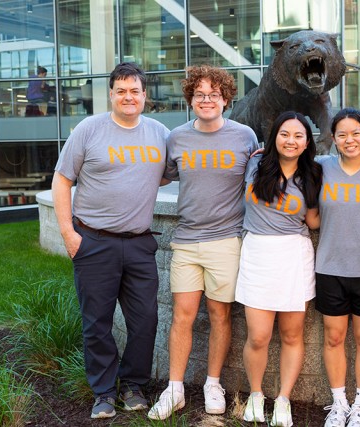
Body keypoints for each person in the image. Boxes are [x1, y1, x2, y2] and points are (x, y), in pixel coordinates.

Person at [51, 62, 169, 419]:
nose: (128, 97)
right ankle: (103, 392)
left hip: (138, 243)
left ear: (145, 96)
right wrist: (69, 235)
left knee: (146, 320)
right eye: (121, 91)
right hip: (94, 242)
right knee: (97, 322)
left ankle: (133, 385)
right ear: (111, 95)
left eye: (135, 91)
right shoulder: (89, 130)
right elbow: (61, 180)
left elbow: (178, 170)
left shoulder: (160, 133)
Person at [147, 65, 259, 421]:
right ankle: (175, 388)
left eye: (214, 94)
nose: (206, 99)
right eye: (199, 94)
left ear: (226, 99)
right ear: (191, 100)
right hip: (186, 240)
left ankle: (213, 383)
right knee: (182, 316)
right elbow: (157, 174)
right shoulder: (176, 138)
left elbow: (265, 175)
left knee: (219, 314)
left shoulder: (244, 136)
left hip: (226, 240)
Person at [237, 111, 322, 427]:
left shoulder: (313, 173)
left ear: (307, 142)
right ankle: (256, 395)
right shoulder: (255, 165)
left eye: (299, 135)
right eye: (285, 134)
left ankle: (283, 399)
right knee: (258, 336)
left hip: (293, 255)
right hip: (257, 252)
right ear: (274, 136)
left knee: (291, 334)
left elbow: (313, 220)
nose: (291, 140)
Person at [315, 108, 360, 427]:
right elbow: (287, 163)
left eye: (356, 132)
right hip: (330, 268)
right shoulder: (321, 168)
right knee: (333, 337)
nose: (349, 139)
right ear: (333, 139)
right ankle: (339, 403)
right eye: (342, 134)